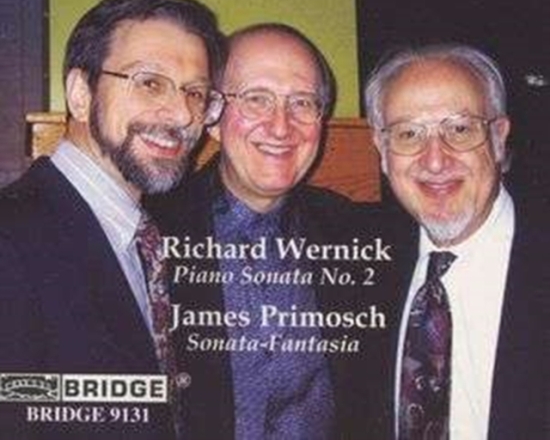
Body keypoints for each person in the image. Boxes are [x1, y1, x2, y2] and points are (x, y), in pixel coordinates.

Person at [0, 0, 225, 440]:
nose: (182, 114)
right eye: (150, 82)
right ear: (81, 94)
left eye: (196, 93)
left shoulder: (146, 235)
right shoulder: (11, 242)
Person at [149, 23, 384, 439]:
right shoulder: (149, 232)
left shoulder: (356, 235)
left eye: (302, 103)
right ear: (214, 116)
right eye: (257, 99)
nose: (281, 127)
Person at [364, 43, 548, 439]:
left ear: (498, 138)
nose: (435, 160)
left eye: (460, 129)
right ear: (382, 150)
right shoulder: (363, 265)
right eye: (409, 133)